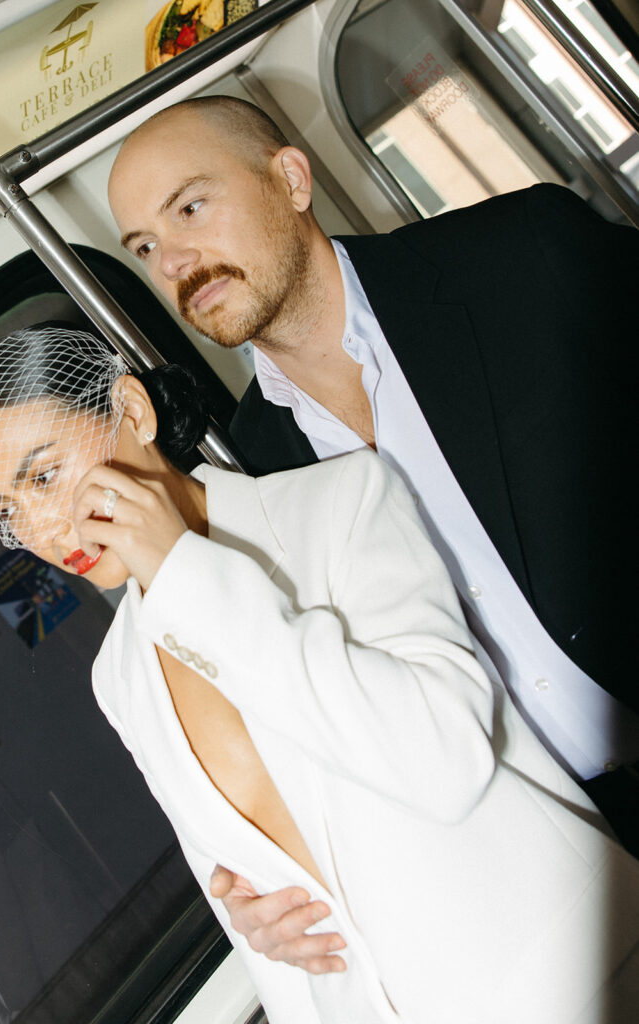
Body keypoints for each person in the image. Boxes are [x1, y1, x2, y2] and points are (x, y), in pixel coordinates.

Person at [0, 327, 639, 1024]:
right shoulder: (119, 674)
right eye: (7, 513)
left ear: (133, 412)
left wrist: (182, 572)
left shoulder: (339, 504)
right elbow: (256, 912)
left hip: (571, 982)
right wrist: (254, 922)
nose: (44, 530)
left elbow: (446, 758)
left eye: (44, 475)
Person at [106, 95, 639, 968]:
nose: (175, 261)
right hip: (555, 868)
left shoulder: (520, 258)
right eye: (143, 248)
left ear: (290, 179)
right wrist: (281, 893)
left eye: (190, 208)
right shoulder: (255, 475)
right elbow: (335, 704)